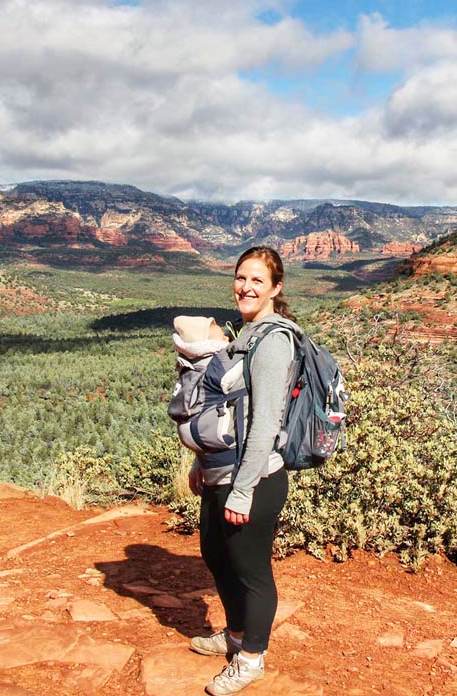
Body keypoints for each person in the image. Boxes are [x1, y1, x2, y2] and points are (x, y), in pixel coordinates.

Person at [188, 246, 296, 696]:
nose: (246, 288)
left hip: (256, 478)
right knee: (216, 553)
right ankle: (233, 635)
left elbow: (266, 423)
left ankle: (251, 658)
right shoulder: (245, 334)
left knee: (251, 570)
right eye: (241, 278)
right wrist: (201, 460)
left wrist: (242, 490)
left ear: (275, 288)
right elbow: (227, 408)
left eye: (257, 281)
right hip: (222, 471)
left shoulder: (273, 340)